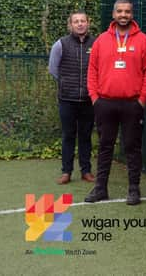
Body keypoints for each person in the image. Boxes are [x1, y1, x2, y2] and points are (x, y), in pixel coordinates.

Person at [85, 0, 146, 205]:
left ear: (132, 14)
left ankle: (134, 190)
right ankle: (100, 189)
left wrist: (142, 100)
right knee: (105, 147)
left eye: (127, 11)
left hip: (132, 104)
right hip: (104, 104)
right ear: (113, 14)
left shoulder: (143, 40)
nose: (123, 15)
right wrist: (95, 98)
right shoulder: (101, 40)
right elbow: (92, 71)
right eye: (120, 11)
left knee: (132, 148)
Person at [48, 11, 96, 185]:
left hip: (89, 100)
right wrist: (67, 84)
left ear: (88, 23)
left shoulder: (96, 44)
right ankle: (66, 172)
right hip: (67, 99)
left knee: (85, 135)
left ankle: (86, 171)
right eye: (76, 21)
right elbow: (53, 69)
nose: (80, 24)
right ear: (70, 25)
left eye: (83, 21)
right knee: (68, 135)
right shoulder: (60, 44)